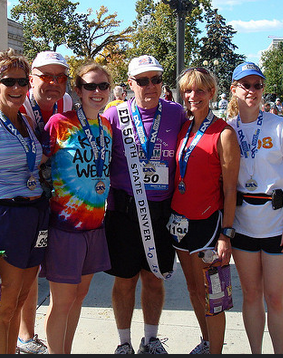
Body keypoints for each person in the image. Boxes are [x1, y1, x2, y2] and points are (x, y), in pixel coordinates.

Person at [0, 50, 72, 354]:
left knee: (21, 299)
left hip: (35, 215)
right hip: (5, 217)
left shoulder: (24, 119)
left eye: (22, 81)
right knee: (2, 306)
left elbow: (36, 158)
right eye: (8, 81)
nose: (17, 87)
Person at [102, 55, 187, 354]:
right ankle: (123, 343)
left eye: (155, 79)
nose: (150, 86)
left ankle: (150, 339)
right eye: (142, 80)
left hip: (161, 212)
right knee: (124, 282)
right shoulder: (115, 116)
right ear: (130, 84)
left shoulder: (177, 113)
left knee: (154, 280)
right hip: (124, 212)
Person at [227, 62, 283, 354]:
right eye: (245, 85)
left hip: (277, 223)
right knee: (251, 295)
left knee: (276, 298)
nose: (252, 91)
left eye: (257, 85)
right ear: (234, 89)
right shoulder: (228, 131)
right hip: (243, 224)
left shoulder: (280, 126)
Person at [41, 62, 113, 354]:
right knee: (62, 302)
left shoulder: (107, 126)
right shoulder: (60, 122)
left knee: (79, 297)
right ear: (78, 90)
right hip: (65, 227)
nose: (97, 92)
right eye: (90, 86)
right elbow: (35, 159)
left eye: (103, 86)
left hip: (95, 226)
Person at [168, 67, 240, 354]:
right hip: (180, 222)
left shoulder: (224, 133)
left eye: (199, 90)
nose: (193, 96)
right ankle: (207, 342)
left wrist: (226, 235)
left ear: (211, 93)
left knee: (214, 296)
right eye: (188, 90)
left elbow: (231, 190)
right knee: (194, 291)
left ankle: (216, 352)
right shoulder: (184, 128)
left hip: (208, 226)